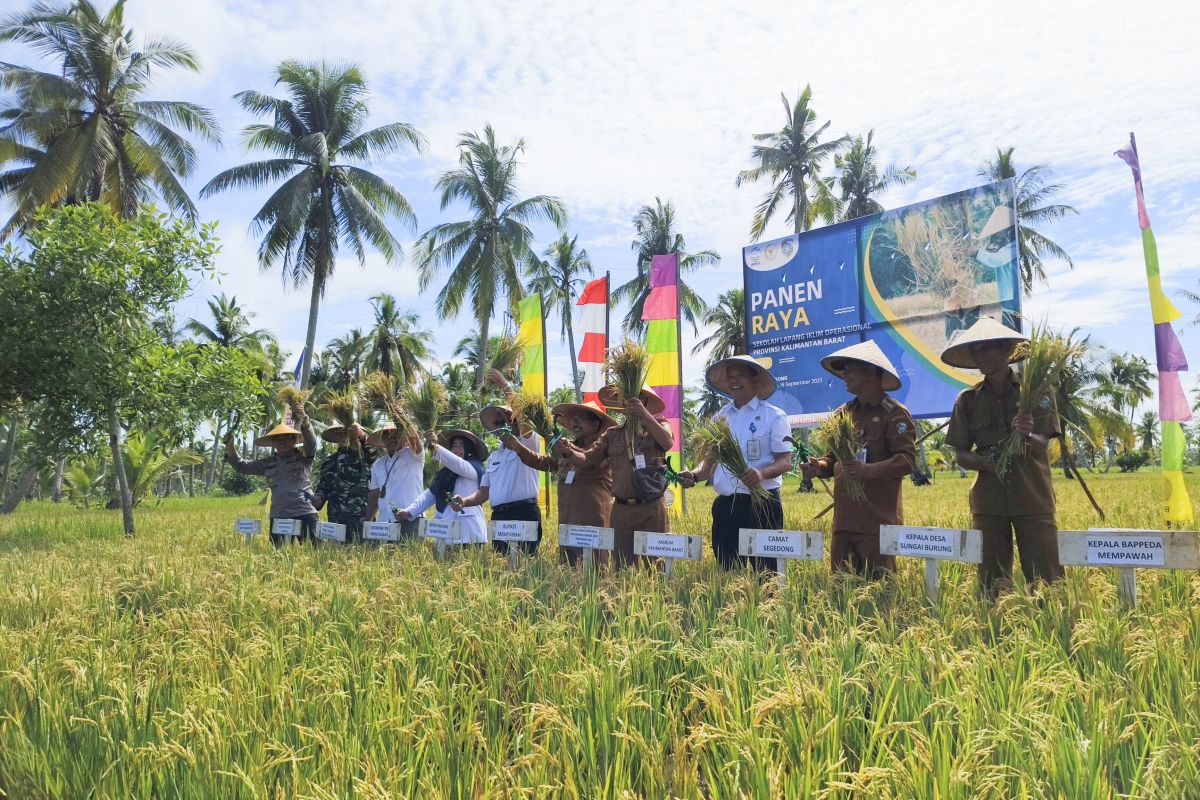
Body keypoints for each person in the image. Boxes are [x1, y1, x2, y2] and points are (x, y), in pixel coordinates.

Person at [941, 317, 1063, 597]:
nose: (980, 355)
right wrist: (986, 463)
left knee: (1047, 579)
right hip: (989, 501)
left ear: (1007, 350)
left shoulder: (1036, 393)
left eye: (986, 348)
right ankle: (997, 628)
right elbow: (960, 453)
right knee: (991, 582)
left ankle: (1052, 627)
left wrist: (1028, 434)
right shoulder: (967, 400)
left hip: (1032, 497)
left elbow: (1043, 443)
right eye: (975, 350)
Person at [799, 341, 916, 579]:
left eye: (850, 368)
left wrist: (868, 471)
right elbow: (831, 460)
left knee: (879, 593)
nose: (845, 374)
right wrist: (817, 468)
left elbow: (907, 460)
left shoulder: (894, 413)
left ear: (872, 371)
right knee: (841, 592)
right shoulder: (843, 414)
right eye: (843, 370)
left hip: (878, 523)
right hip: (844, 522)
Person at [679, 355, 792, 571]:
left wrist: (761, 474)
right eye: (730, 377)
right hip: (727, 507)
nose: (735, 381)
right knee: (728, 571)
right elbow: (707, 466)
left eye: (741, 375)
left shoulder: (774, 416)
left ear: (755, 380)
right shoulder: (720, 418)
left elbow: (785, 462)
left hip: (762, 504)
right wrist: (693, 476)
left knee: (767, 572)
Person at [557, 385, 674, 568]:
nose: (632, 403)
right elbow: (587, 459)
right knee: (622, 568)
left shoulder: (659, 424)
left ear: (645, 402)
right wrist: (569, 451)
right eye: (626, 399)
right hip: (621, 510)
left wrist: (644, 415)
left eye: (638, 399)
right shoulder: (613, 434)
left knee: (657, 566)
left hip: (651, 507)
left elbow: (667, 442)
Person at [505, 400, 615, 566]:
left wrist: (564, 447)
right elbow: (546, 463)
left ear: (595, 423)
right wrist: (520, 448)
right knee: (568, 566)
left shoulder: (604, 446)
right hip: (568, 516)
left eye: (581, 419)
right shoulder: (566, 447)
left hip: (592, 518)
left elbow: (586, 459)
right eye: (574, 420)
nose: (575, 423)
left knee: (595, 566)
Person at [452, 399, 543, 556]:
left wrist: (503, 384)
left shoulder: (529, 443)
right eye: (498, 423)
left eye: (508, 420)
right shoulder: (494, 456)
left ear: (517, 423)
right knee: (501, 563)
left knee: (526, 563)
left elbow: (524, 420)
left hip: (524, 512)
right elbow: (483, 492)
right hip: (499, 516)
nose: (503, 426)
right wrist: (465, 502)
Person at [224, 402, 318, 546]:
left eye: (286, 438)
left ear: (293, 440)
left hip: (304, 512)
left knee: (313, 556)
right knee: (278, 559)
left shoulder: (304, 457)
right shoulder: (268, 463)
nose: (281, 442)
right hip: (280, 516)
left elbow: (311, 443)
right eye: (277, 439)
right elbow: (242, 466)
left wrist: (304, 419)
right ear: (272, 443)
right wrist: (231, 448)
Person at [395, 429, 488, 546]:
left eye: (461, 445)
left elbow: (458, 464)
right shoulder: (444, 474)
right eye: (454, 446)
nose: (457, 449)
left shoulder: (474, 468)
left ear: (470, 449)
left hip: (469, 533)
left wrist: (435, 446)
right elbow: (429, 495)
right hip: (445, 533)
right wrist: (409, 511)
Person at [364, 422, 425, 539]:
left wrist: (400, 416)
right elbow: (374, 494)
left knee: (409, 556)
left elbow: (415, 441)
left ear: (404, 436)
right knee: (383, 556)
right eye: (387, 435)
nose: (392, 439)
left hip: (410, 519)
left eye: (397, 435)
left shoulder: (414, 455)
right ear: (382, 439)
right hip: (385, 521)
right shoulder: (378, 464)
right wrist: (368, 520)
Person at [313, 421, 371, 543]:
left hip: (360, 516)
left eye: (346, 433)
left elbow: (374, 454)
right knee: (337, 555)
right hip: (335, 518)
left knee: (362, 554)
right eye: (339, 434)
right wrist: (318, 498)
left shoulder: (363, 456)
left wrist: (362, 437)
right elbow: (323, 487)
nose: (342, 436)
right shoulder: (329, 462)